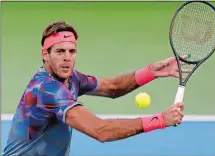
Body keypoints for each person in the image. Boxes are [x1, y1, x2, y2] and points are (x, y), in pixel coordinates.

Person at [3, 21, 190, 156]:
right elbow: (100, 130)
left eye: (72, 51)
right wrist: (160, 120)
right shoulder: (47, 90)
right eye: (60, 52)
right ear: (45, 54)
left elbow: (113, 87)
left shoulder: (72, 77)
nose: (67, 58)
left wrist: (151, 71)